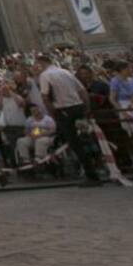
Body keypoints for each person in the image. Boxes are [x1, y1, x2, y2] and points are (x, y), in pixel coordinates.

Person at [36, 54, 101, 187]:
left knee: (76, 143)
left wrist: (53, 114)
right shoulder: (66, 72)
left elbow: (45, 97)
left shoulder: (45, 75)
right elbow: (82, 91)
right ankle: (98, 168)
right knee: (86, 139)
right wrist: (86, 108)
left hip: (64, 111)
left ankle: (91, 175)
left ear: (41, 63)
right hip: (79, 108)